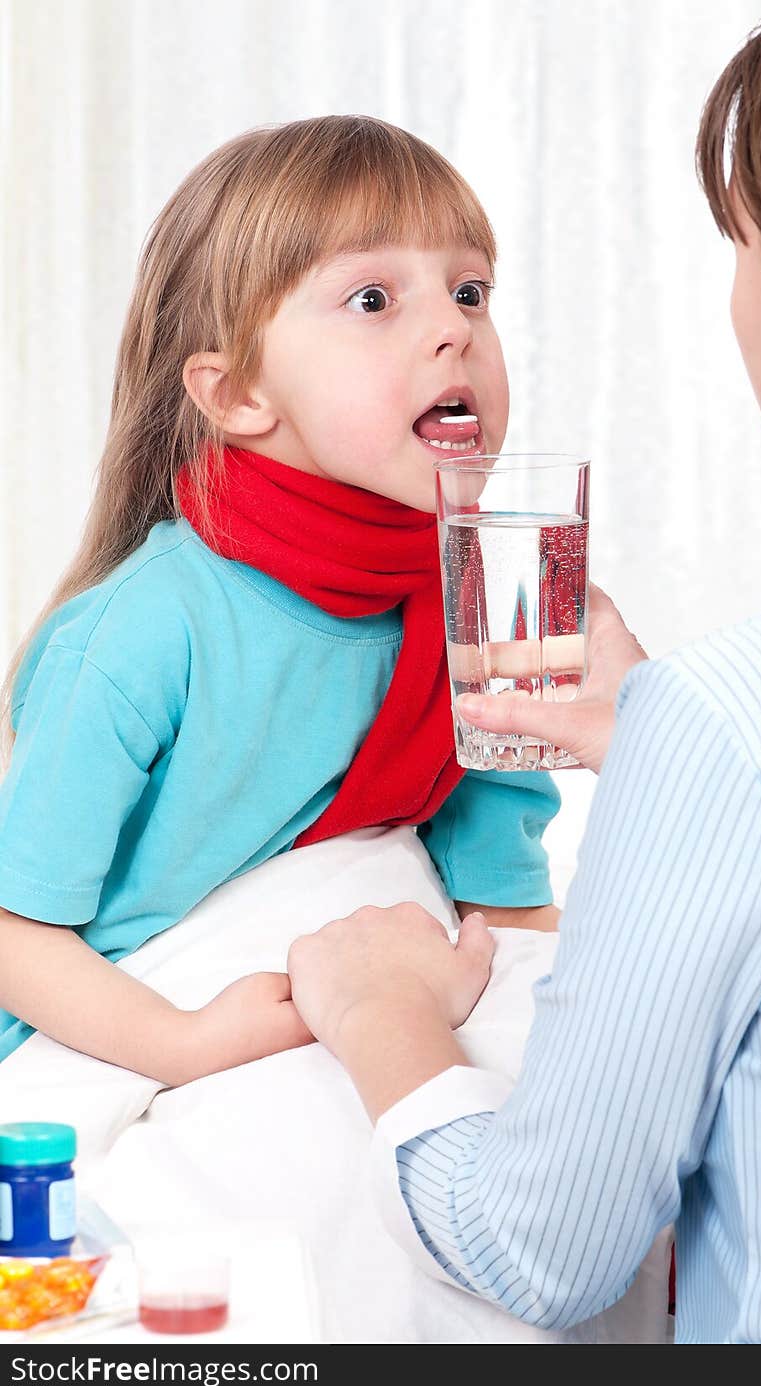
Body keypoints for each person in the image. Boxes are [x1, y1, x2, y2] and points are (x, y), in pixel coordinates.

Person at [285, 0, 761, 1343]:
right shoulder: (728, 730)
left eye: (747, 242)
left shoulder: (740, 728)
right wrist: (673, 743)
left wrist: (383, 1014)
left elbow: (542, 1245)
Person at [0, 117, 561, 1082]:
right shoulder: (146, 628)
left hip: (355, 1019)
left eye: (470, 290)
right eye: (375, 298)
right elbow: (15, 933)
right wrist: (185, 1044)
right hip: (131, 1034)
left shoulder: (497, 598)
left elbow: (506, 911)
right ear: (237, 395)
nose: (454, 327)